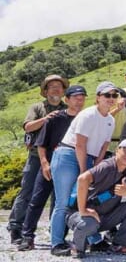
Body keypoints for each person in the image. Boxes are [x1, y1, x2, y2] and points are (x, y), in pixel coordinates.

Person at [49, 81, 117, 256]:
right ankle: (56, 243)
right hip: (69, 156)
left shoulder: (110, 120)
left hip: (90, 158)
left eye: (114, 95)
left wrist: (95, 168)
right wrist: (83, 170)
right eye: (107, 95)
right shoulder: (88, 115)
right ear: (98, 98)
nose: (111, 99)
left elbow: (104, 147)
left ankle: (93, 240)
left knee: (86, 201)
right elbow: (80, 144)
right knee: (64, 202)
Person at [17, 84, 86, 252]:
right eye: (75, 97)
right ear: (67, 99)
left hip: (70, 167)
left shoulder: (85, 119)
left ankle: (60, 238)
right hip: (49, 163)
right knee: (37, 199)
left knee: (61, 202)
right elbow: (41, 143)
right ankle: (27, 236)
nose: (79, 101)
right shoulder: (55, 117)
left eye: (82, 98)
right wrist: (44, 163)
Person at [7, 74, 68, 244]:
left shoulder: (67, 108)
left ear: (63, 90)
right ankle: (16, 227)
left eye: (59, 86)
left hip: (60, 157)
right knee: (27, 192)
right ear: (46, 90)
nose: (56, 88)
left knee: (58, 195)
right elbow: (27, 127)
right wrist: (45, 119)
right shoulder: (37, 107)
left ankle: (54, 230)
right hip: (36, 156)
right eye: (52, 86)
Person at [66, 138, 126, 257]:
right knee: (88, 224)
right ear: (118, 150)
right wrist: (83, 210)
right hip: (81, 215)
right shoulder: (107, 166)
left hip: (103, 218)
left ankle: (120, 245)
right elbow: (82, 179)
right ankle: (77, 246)